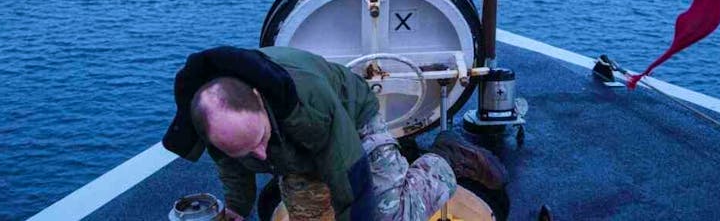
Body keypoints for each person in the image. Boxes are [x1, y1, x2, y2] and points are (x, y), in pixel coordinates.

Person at [163, 45, 507, 221]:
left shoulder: (309, 102)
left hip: (349, 118)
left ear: (258, 99)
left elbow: (349, 177)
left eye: (258, 140)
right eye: (246, 151)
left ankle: (446, 158)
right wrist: (238, 207)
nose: (261, 157)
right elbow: (230, 166)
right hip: (293, 146)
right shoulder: (211, 119)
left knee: (388, 216)